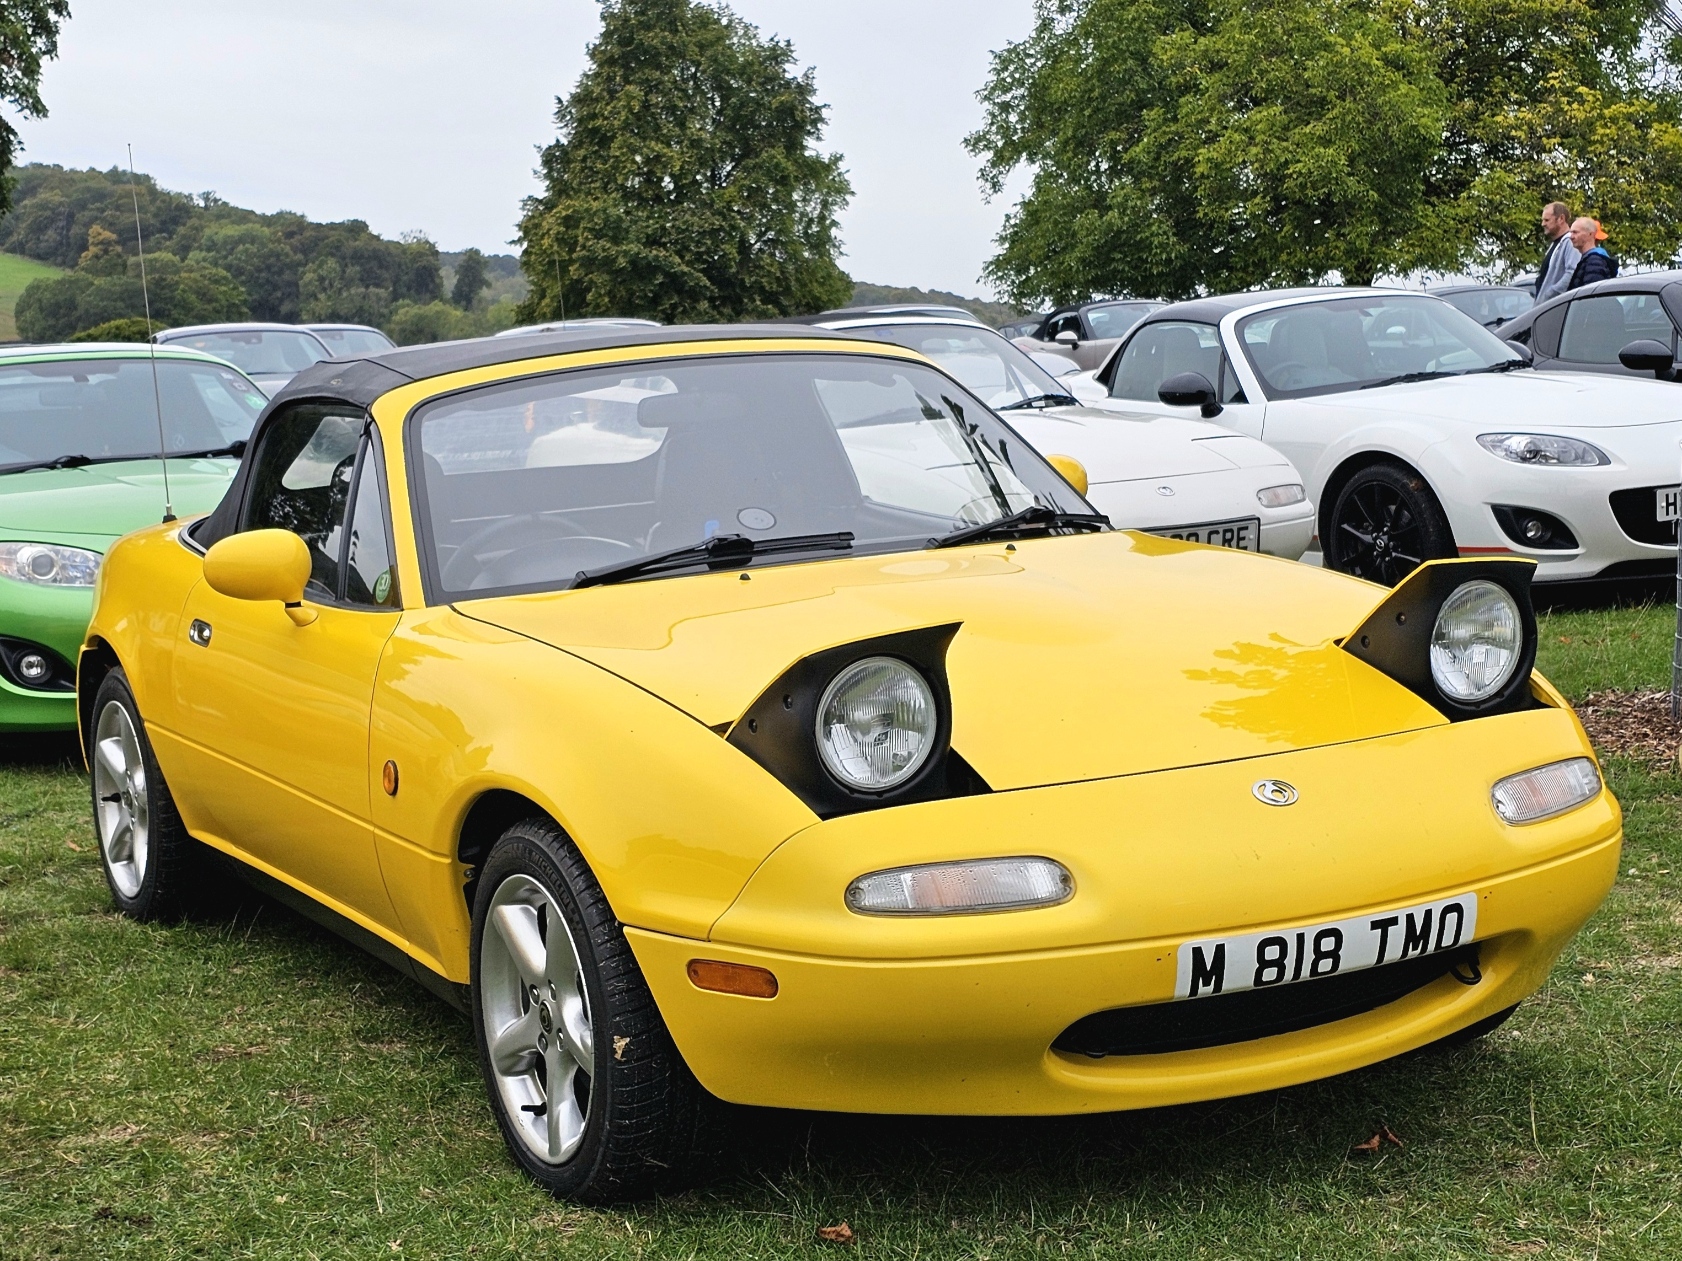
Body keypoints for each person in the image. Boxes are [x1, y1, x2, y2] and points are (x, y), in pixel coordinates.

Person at [1533, 201, 1578, 303]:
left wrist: (1550, 294)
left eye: (1547, 220)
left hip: (1554, 309)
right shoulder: (1556, 243)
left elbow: (1571, 273)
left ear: (1561, 219)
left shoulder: (1570, 242)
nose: (1543, 224)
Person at [1566, 217, 1617, 290]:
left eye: (1575, 232)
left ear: (1590, 234)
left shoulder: (1594, 261)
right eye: (1571, 232)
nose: (1571, 237)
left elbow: (1591, 295)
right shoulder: (1591, 259)